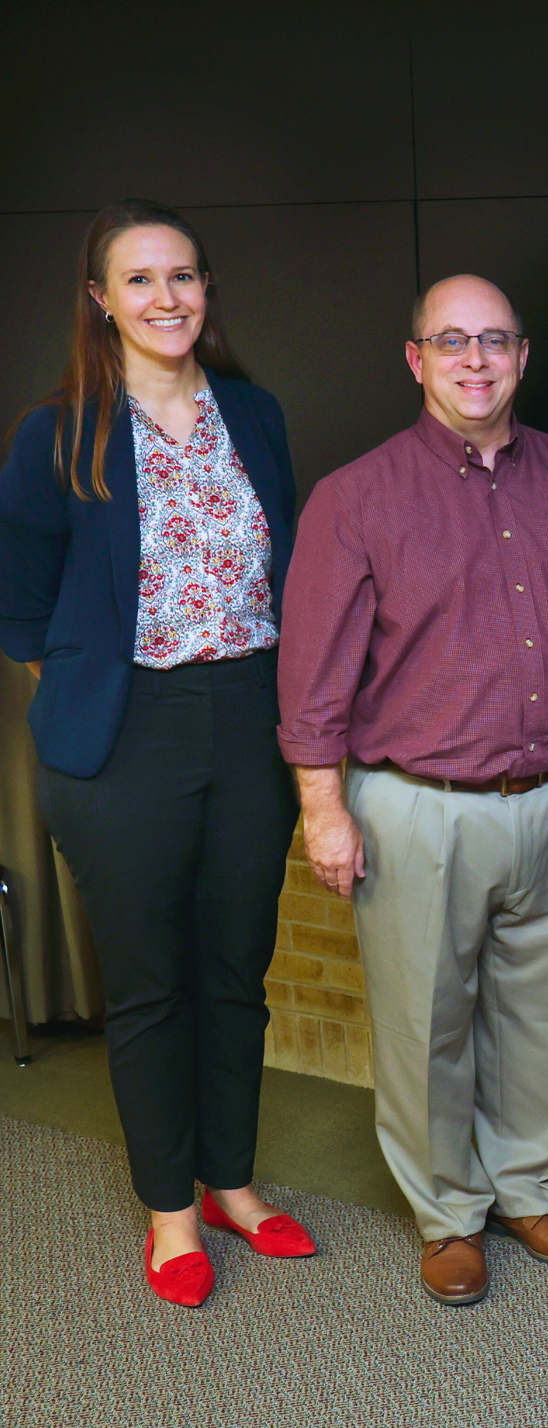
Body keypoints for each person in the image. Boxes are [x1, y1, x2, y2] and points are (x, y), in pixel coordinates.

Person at [0, 200, 313, 1307]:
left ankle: (231, 1181)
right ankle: (170, 1213)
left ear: (205, 289)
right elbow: (22, 609)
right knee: (149, 988)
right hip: (122, 733)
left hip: (248, 723)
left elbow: (287, 571)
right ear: (100, 300)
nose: (166, 298)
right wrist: (95, 696)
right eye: (139, 280)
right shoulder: (57, 433)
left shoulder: (256, 412)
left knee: (235, 974)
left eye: (182, 276)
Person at [277, 275, 548, 1307]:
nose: (474, 360)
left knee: (544, 1013)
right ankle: (448, 1213)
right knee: (425, 1024)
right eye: (450, 341)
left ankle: (526, 1185)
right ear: (415, 359)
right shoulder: (356, 496)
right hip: (416, 805)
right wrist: (322, 810)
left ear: (522, 355)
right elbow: (314, 674)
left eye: (493, 341)